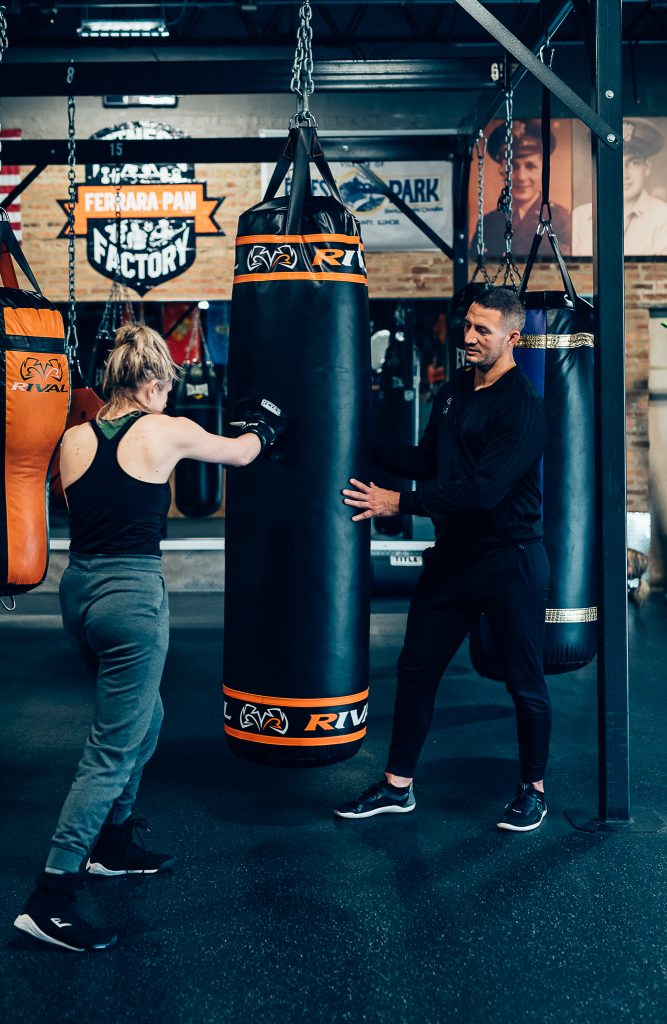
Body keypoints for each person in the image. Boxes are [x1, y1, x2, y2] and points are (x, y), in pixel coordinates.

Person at [13, 322, 285, 952]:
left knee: (149, 716)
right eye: (166, 383)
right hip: (132, 600)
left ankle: (113, 844)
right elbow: (242, 454)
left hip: (79, 593)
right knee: (110, 750)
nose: (169, 392)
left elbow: (77, 498)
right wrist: (267, 425)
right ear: (153, 380)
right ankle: (50, 898)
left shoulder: (74, 437)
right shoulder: (165, 429)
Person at [335, 287, 551, 832]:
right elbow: (425, 460)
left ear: (513, 337)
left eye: (483, 330)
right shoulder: (455, 390)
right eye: (468, 325)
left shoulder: (522, 405)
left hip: (510, 560)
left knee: (525, 681)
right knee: (416, 670)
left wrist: (398, 503)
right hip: (454, 559)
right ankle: (397, 786)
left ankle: (534, 789)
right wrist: (352, 440)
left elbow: (483, 492)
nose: (469, 337)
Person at [471, 118, 571, 259]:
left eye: (530, 166)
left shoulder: (562, 220)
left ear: (543, 171)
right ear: (502, 171)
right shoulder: (488, 222)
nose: (521, 177)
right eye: (513, 166)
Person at [572, 119, 667, 256]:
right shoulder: (580, 217)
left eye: (633, 163)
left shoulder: (663, 216)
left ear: (646, 167)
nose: (624, 175)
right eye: (616, 163)